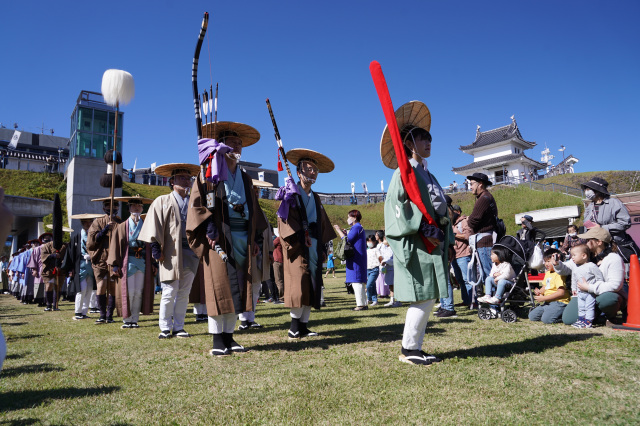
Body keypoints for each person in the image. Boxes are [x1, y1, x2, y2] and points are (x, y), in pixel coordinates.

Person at [381, 101, 452, 365]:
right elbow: (398, 207)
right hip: (419, 241)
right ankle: (409, 349)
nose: (428, 142)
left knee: (429, 295)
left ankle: (415, 347)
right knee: (422, 296)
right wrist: (423, 226)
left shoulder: (427, 173)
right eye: (422, 138)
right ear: (409, 143)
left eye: (429, 138)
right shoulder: (403, 172)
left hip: (433, 240)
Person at [187, 124, 267, 355]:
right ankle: (217, 340)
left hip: (242, 237)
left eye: (239, 143)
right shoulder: (208, 172)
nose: (235, 146)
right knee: (219, 287)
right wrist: (208, 229)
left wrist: (254, 239)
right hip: (219, 237)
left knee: (238, 289)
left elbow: (253, 209)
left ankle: (230, 337)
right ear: (220, 145)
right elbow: (198, 204)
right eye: (230, 142)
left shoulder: (245, 177)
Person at [276, 148, 336, 340]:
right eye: (308, 169)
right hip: (298, 245)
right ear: (299, 172)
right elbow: (284, 219)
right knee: (299, 283)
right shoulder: (291, 194)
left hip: (314, 245)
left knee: (312, 284)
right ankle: (294, 326)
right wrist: (300, 237)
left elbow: (322, 223)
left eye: (315, 170)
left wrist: (324, 246)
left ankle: (304, 326)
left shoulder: (316, 198)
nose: (313, 172)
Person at [139, 164, 200, 339]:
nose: (186, 181)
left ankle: (179, 327)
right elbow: (154, 224)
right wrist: (156, 248)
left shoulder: (194, 202)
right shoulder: (162, 201)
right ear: (172, 181)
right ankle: (165, 327)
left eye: (188, 178)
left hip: (190, 252)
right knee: (169, 290)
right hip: (171, 252)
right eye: (181, 178)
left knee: (184, 292)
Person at [559, 227, 627, 325]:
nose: (584, 242)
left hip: (605, 294)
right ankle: (593, 315)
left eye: (588, 240)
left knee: (607, 299)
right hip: (585, 295)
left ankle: (610, 315)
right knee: (569, 319)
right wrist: (557, 264)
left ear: (599, 242)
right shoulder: (583, 257)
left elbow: (615, 286)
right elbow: (566, 268)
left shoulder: (613, 258)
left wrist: (590, 287)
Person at [108, 196, 156, 329]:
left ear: (142, 208)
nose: (136, 208)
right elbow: (115, 246)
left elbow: (152, 244)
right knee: (128, 291)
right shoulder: (122, 226)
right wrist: (115, 264)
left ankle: (135, 318)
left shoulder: (147, 225)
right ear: (129, 208)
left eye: (139, 206)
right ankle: (126, 319)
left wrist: (153, 263)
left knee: (138, 291)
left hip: (142, 261)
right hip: (127, 262)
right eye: (133, 206)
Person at [237, 179, 274, 330]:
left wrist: (270, 251)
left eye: (258, 191)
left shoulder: (260, 211)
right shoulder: (243, 210)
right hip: (248, 252)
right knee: (246, 286)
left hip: (261, 253)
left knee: (256, 286)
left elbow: (268, 233)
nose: (256, 194)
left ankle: (250, 318)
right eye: (254, 191)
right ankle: (243, 319)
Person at [581, 176, 639, 263]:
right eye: (585, 189)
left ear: (597, 190)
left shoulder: (614, 203)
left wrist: (602, 228)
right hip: (596, 250)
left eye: (588, 189)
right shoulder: (589, 207)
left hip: (614, 246)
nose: (586, 192)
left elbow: (625, 222)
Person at [86, 198, 123, 324]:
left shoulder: (120, 221)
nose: (112, 208)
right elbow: (93, 240)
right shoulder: (98, 221)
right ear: (104, 208)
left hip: (115, 259)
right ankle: (102, 314)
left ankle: (109, 314)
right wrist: (105, 229)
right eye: (109, 206)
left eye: (115, 206)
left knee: (112, 287)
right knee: (101, 286)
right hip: (101, 258)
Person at [552, 244, 604, 328]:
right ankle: (581, 320)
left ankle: (588, 321)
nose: (572, 257)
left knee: (589, 307)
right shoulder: (576, 267)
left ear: (584, 256)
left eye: (574, 255)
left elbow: (599, 278)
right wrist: (574, 289)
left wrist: (595, 288)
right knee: (581, 307)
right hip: (580, 293)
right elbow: (574, 279)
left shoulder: (591, 266)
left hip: (589, 292)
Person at [63, 214, 100, 320]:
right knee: (81, 290)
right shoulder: (76, 237)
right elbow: (71, 254)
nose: (87, 224)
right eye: (85, 222)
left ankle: (84, 312)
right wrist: (70, 269)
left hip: (92, 266)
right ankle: (78, 312)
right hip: (80, 266)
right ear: (82, 223)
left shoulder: (95, 236)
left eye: (89, 222)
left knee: (89, 290)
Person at [466, 172, 498, 290]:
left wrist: (469, 219)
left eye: (472, 184)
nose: (470, 186)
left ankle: (494, 304)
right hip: (485, 241)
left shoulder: (483, 199)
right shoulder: (486, 197)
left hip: (485, 243)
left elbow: (472, 221)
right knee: (487, 273)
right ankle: (493, 301)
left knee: (488, 274)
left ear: (480, 184)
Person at [528, 248, 571, 324]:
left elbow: (561, 293)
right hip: (548, 302)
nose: (546, 264)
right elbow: (545, 287)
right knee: (532, 316)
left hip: (559, 302)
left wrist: (544, 298)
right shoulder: (548, 273)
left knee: (547, 320)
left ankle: (564, 315)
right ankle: (551, 312)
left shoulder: (559, 274)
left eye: (548, 261)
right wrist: (540, 292)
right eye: (545, 261)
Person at [339, 210, 367, 311]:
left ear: (354, 218)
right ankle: (364, 303)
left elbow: (347, 241)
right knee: (359, 281)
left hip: (355, 258)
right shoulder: (359, 227)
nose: (347, 219)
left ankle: (360, 305)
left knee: (356, 282)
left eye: (349, 217)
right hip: (359, 257)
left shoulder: (356, 227)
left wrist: (339, 231)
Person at [450, 205, 473, 307]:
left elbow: (468, 236)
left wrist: (454, 234)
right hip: (454, 256)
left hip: (464, 255)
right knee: (460, 280)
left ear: (458, 212)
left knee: (467, 279)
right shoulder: (452, 224)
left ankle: (473, 301)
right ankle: (466, 301)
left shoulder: (464, 221)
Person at [39, 233, 67, 311]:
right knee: (49, 286)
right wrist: (53, 255)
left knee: (58, 287)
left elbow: (67, 257)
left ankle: (55, 304)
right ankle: (48, 305)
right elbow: (43, 256)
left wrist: (62, 263)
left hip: (60, 269)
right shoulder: (46, 246)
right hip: (49, 269)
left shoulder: (64, 246)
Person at [374, 230, 390, 299]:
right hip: (379, 264)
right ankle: (381, 292)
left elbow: (383, 254)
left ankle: (384, 293)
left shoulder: (383, 245)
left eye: (376, 235)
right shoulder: (378, 245)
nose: (375, 236)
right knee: (379, 279)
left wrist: (382, 261)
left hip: (383, 264)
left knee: (383, 279)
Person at [365, 235, 380, 306]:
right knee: (372, 285)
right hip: (368, 270)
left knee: (368, 285)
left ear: (374, 242)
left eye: (370, 241)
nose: (369, 243)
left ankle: (369, 298)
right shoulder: (366, 250)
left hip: (375, 269)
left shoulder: (376, 249)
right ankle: (375, 300)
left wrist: (382, 261)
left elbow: (380, 257)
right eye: (367, 241)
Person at [272, 236, 285, 301]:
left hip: (277, 260)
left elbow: (271, 245)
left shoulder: (279, 238)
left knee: (278, 280)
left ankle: (282, 297)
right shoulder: (285, 238)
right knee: (282, 280)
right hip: (283, 261)